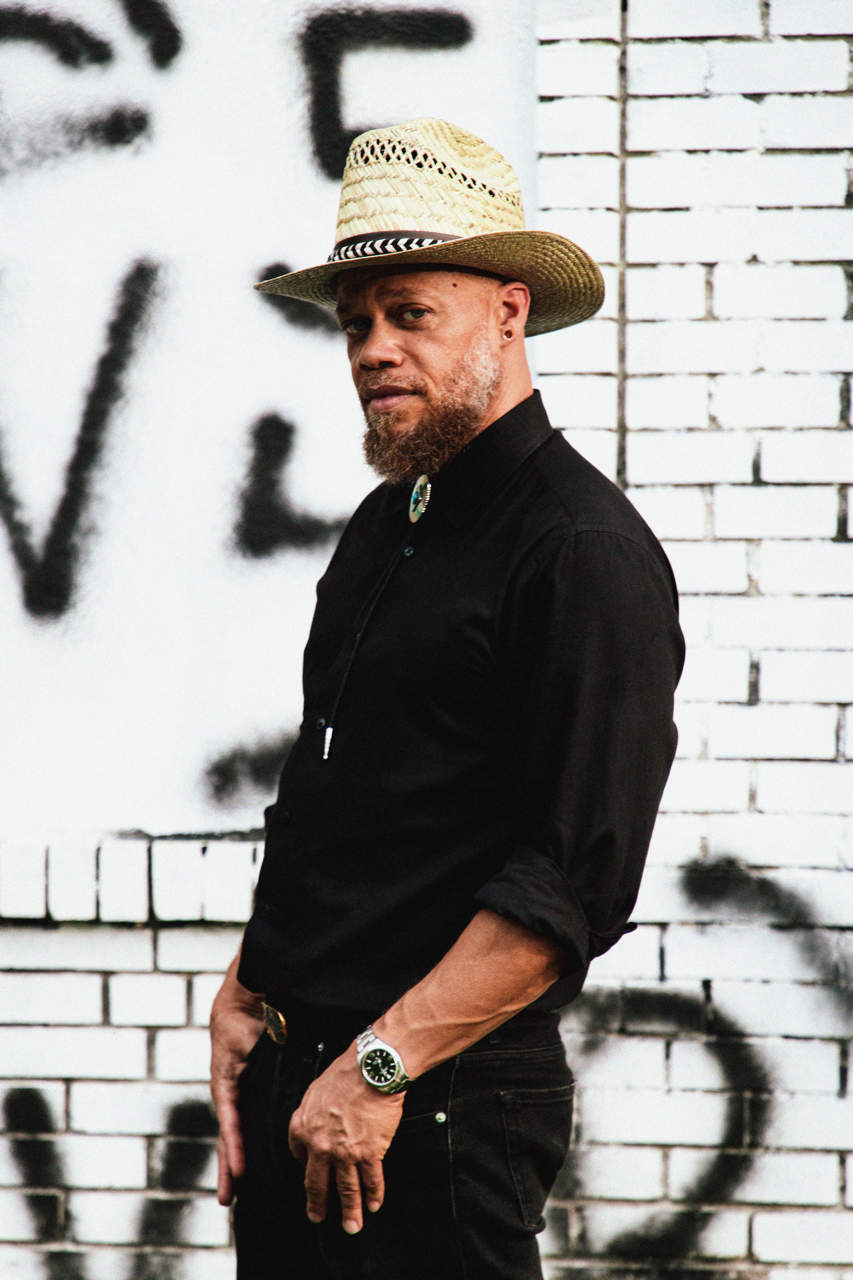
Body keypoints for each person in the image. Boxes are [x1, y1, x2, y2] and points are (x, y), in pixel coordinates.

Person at [210, 117, 684, 1280]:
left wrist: (377, 1067)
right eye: (355, 322)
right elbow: (336, 794)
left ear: (508, 312)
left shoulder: (578, 550)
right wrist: (250, 984)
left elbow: (567, 884)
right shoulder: (388, 525)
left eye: (410, 312)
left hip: (432, 1103)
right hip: (304, 1082)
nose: (374, 348)